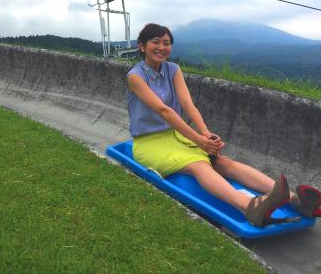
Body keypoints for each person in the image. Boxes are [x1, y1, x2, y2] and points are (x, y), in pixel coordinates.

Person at [127, 23, 320, 227]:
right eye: (155, 42)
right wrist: (199, 141)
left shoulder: (173, 69)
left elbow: (187, 104)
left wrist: (206, 134)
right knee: (199, 165)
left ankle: (294, 199)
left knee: (222, 162)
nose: (161, 47)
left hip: (176, 136)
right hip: (149, 143)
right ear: (142, 46)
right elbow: (164, 111)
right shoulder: (135, 77)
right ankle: (249, 207)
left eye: (166, 43)